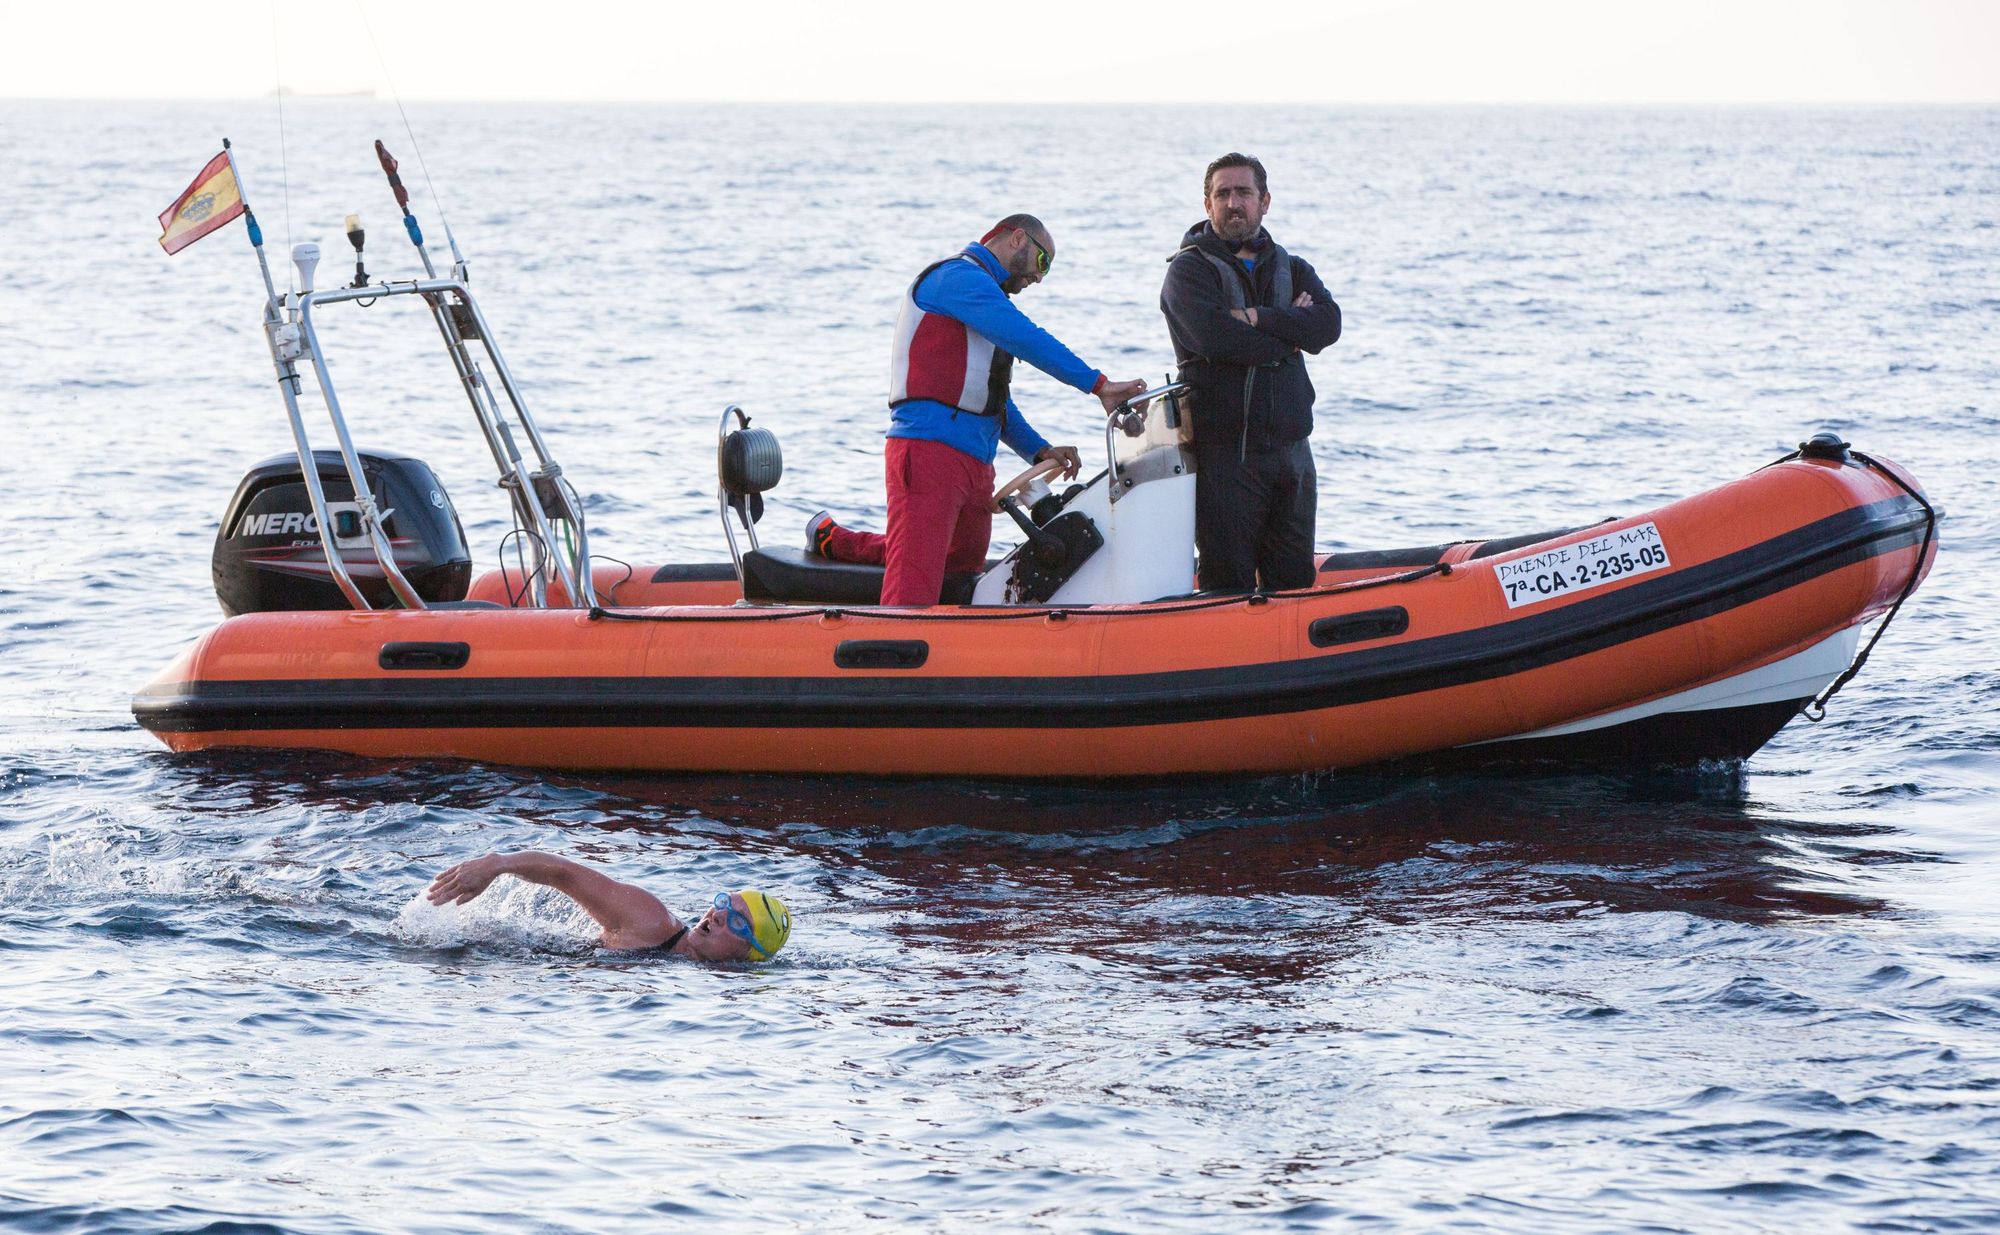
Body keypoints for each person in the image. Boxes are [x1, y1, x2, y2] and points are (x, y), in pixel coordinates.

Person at [809, 214, 1148, 605]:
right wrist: (1098, 385)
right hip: (929, 453)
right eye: (1043, 263)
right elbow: (1026, 337)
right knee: (914, 580)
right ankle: (892, 648)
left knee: (960, 570)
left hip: (976, 466)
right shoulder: (956, 279)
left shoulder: (986, 301)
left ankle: (837, 541)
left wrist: (1038, 451)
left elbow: (993, 400)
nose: (1040, 278)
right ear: (1016, 238)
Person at [1160, 153, 1342, 592]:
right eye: (1222, 194)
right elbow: (1216, 338)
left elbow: (1328, 324)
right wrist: (1291, 332)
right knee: (1228, 584)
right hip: (1227, 457)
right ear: (1207, 204)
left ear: (1265, 201)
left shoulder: (1291, 266)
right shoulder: (1188, 272)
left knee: (1295, 583)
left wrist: (1258, 317)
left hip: (1292, 454)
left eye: (1243, 192)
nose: (1233, 203)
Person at [425, 851, 792, 962]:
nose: (718, 914)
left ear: (750, 954)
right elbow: (565, 874)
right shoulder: (650, 921)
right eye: (724, 903)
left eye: (738, 921)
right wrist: (497, 864)